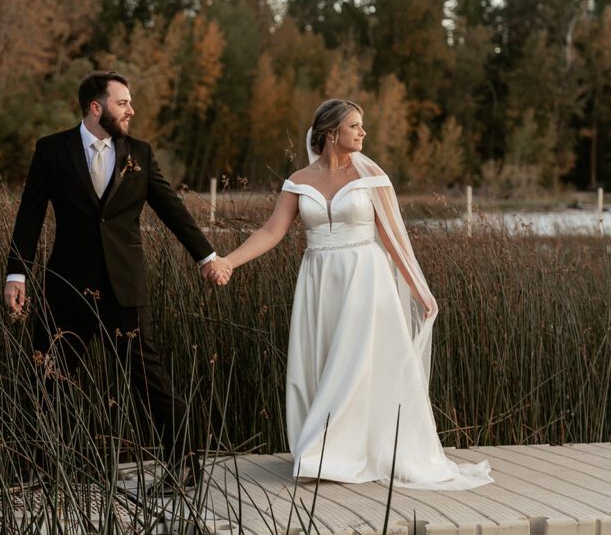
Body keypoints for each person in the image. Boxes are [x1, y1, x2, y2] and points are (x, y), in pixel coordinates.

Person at [209, 100, 493, 489]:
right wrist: (229, 261)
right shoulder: (298, 180)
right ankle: (324, 448)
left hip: (365, 278)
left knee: (354, 363)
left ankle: (331, 453)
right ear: (330, 134)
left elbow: (394, 240)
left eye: (361, 126)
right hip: (318, 280)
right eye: (355, 126)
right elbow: (271, 231)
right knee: (322, 361)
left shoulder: (372, 176)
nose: (362, 133)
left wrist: (418, 288)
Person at [4, 70, 225, 487]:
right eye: (123, 102)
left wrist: (207, 257)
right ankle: (40, 469)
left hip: (124, 288)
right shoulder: (52, 151)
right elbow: (29, 215)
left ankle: (184, 466)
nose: (131, 110)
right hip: (66, 288)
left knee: (150, 380)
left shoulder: (138, 152)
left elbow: (172, 209)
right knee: (44, 377)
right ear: (96, 107)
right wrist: (17, 274)